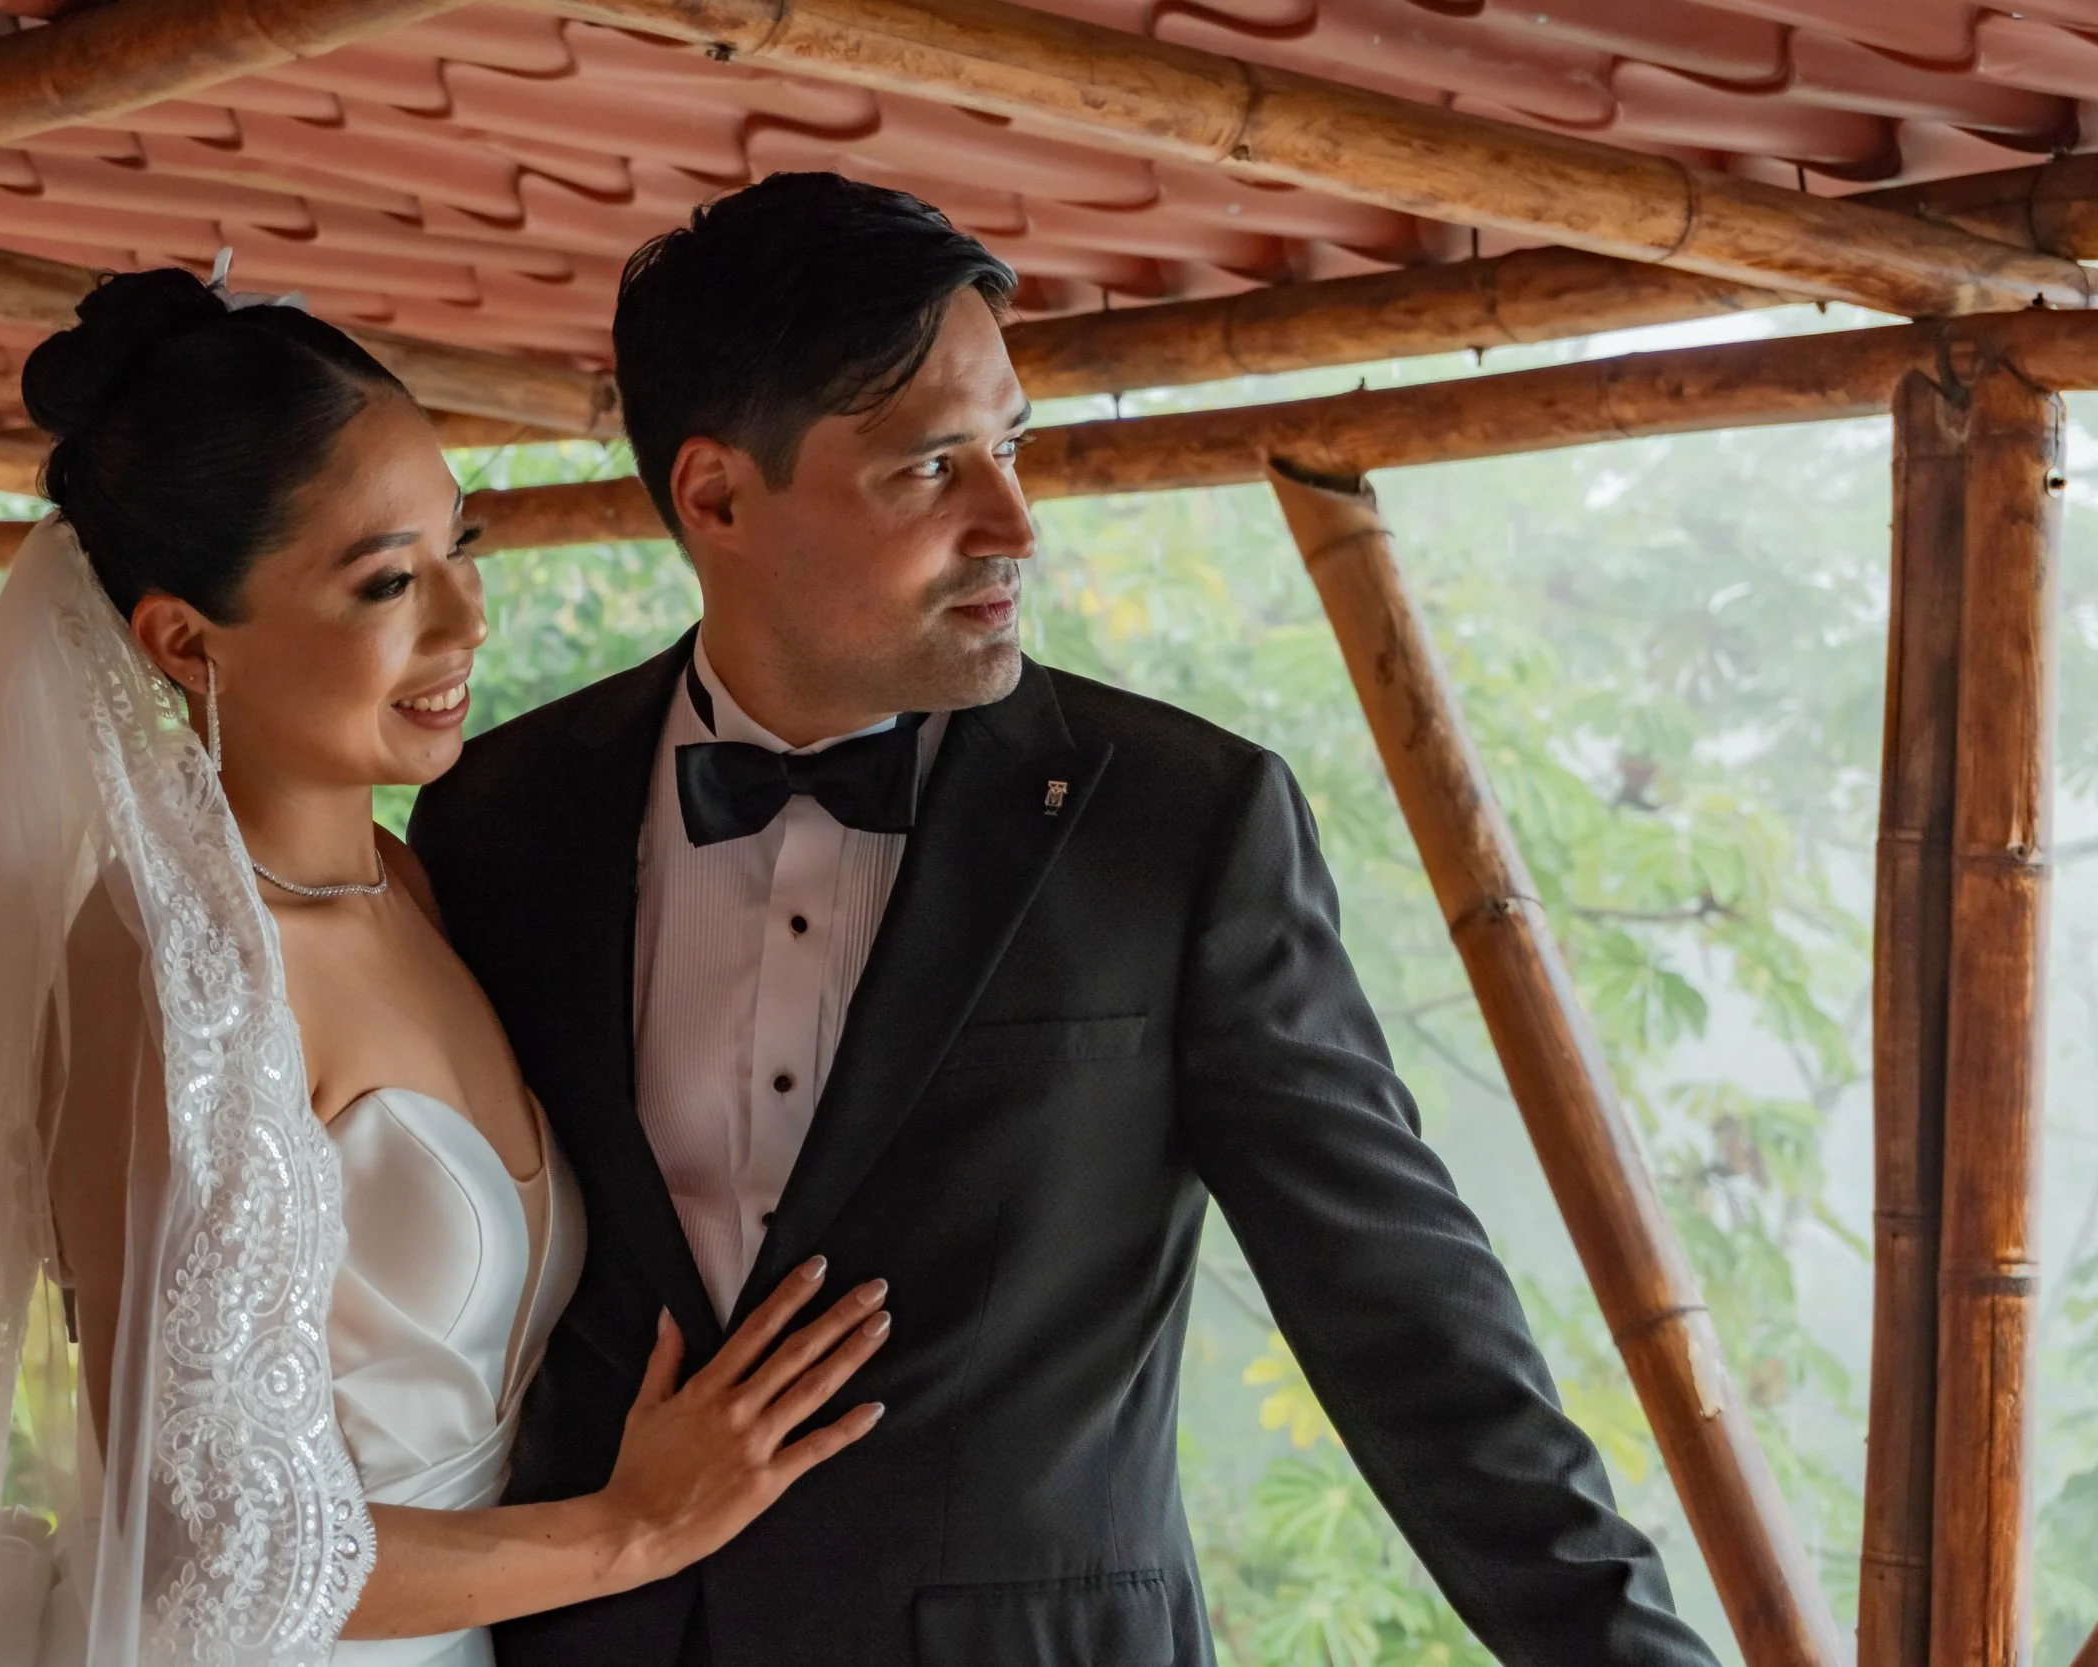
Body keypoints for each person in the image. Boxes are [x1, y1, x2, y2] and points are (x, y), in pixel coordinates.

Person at [409, 172, 1723, 1667]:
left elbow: (1408, 1321)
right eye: (930, 467)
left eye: (1013, 444)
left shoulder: (1180, 823)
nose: (1014, 519)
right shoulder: (498, 822)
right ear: (716, 493)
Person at [0, 263, 884, 1667]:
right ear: (184, 638)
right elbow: (214, 1554)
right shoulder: (170, 971)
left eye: (458, 544)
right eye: (384, 581)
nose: (465, 620)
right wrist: (636, 1531)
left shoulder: (418, 883)